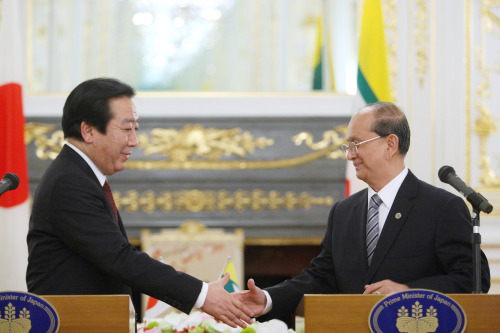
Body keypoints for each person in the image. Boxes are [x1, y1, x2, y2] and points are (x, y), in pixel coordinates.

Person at [26, 78, 253, 328]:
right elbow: (119, 258)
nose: (134, 141)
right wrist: (202, 295)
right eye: (126, 129)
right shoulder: (69, 182)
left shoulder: (78, 175)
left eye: (136, 128)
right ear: (88, 131)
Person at [234, 101, 490, 322]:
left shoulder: (441, 207)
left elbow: (473, 279)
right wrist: (267, 298)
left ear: (390, 144)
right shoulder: (344, 212)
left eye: (356, 144)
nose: (350, 156)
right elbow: (322, 277)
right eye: (348, 146)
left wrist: (408, 291)